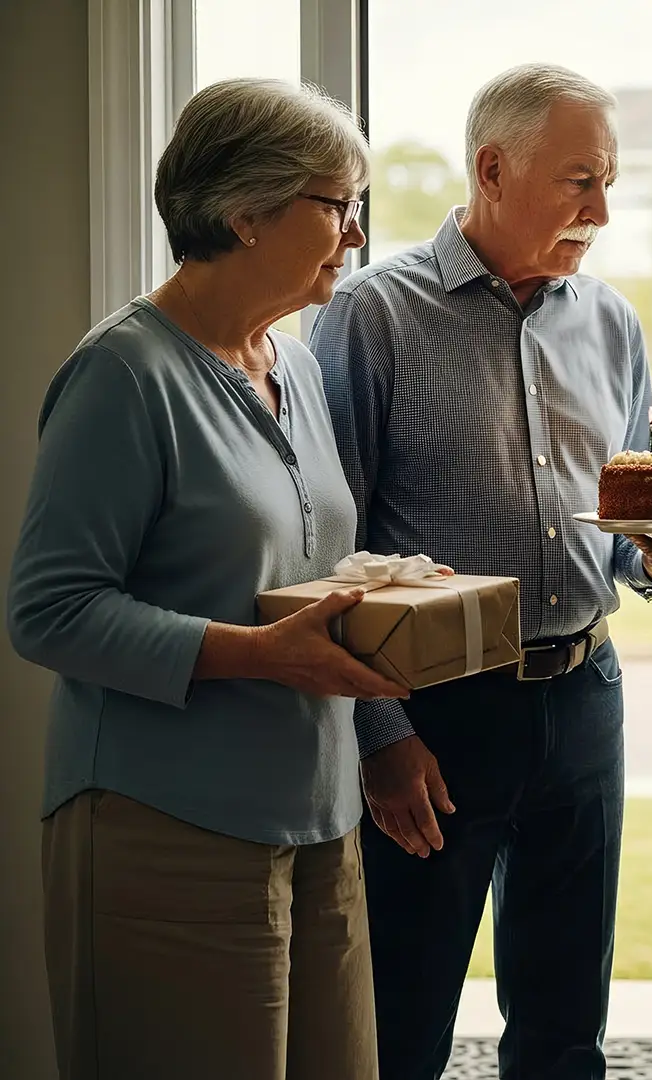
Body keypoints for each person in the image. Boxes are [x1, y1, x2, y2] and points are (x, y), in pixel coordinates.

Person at [311, 62, 652, 1079]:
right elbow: (323, 544)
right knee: (399, 1023)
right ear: (493, 169)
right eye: (579, 181)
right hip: (437, 710)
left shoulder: (614, 323)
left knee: (564, 1030)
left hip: (587, 698)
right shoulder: (373, 317)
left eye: (609, 184)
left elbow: (631, 545)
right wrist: (381, 735)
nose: (602, 210)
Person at [6, 78, 408, 1080]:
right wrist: (261, 658)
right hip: (165, 828)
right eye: (336, 204)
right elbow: (50, 612)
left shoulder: (298, 364)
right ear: (245, 211)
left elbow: (294, 569)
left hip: (320, 816)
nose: (355, 236)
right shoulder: (123, 375)